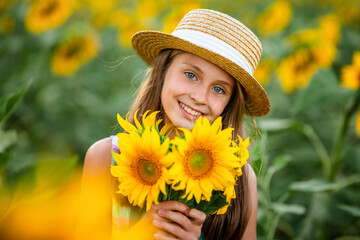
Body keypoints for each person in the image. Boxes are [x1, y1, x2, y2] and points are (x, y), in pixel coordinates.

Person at [83, 8, 270, 240]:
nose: (200, 97)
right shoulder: (105, 158)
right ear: (163, 72)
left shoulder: (238, 180)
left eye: (219, 89)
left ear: (229, 103)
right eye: (191, 75)